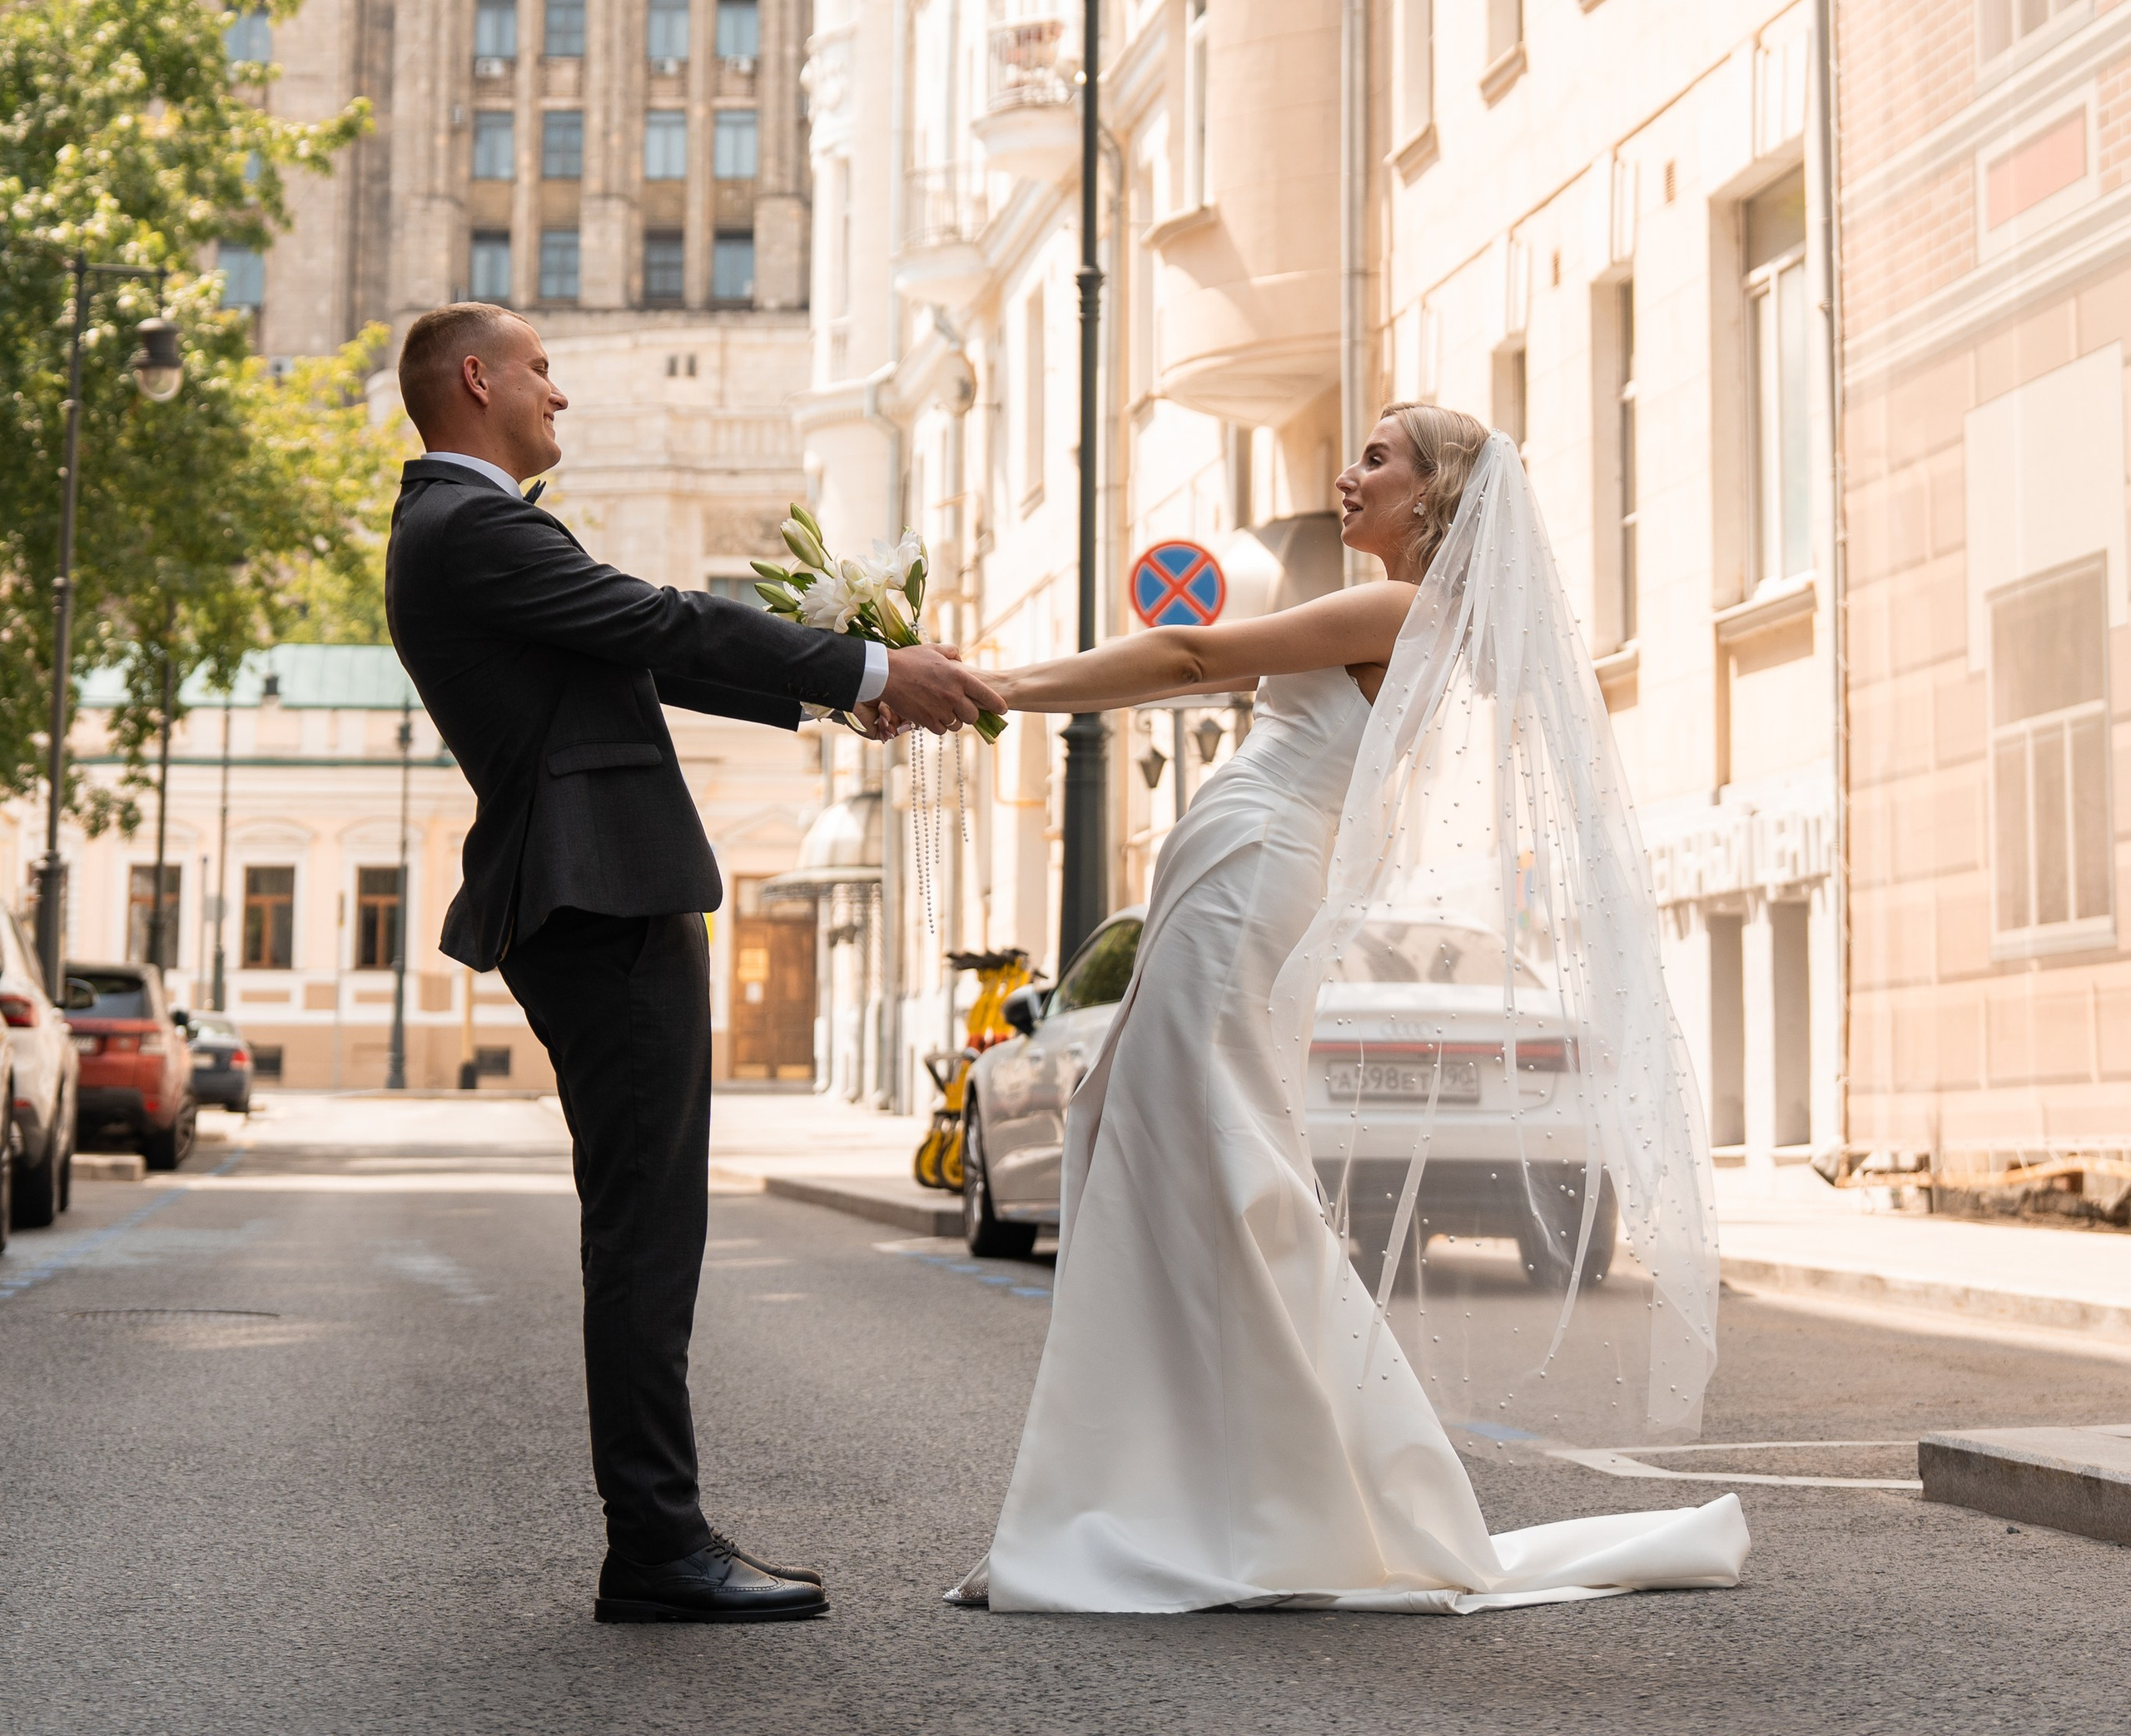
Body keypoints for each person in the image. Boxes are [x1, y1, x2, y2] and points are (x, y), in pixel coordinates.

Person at [959, 404, 1748, 1614]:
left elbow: (1188, 657)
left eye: (1378, 458)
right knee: (1170, 1153)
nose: (1347, 475)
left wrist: (992, 685)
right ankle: (1211, 1495)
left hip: (1247, 886)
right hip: (1241, 876)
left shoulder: (1398, 611)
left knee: (1204, 1161)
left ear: (1434, 494)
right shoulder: (1420, 623)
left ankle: (1219, 1504)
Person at [384, 302, 1003, 1626]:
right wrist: (873, 665)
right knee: (647, 1231)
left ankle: (660, 1537)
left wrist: (844, 688)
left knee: (647, 1226)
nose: (560, 395)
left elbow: (643, 652)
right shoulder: (468, 525)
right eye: (542, 370)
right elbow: (661, 619)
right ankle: (658, 1546)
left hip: (599, 893)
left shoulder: (462, 526)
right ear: (477, 379)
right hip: (598, 898)